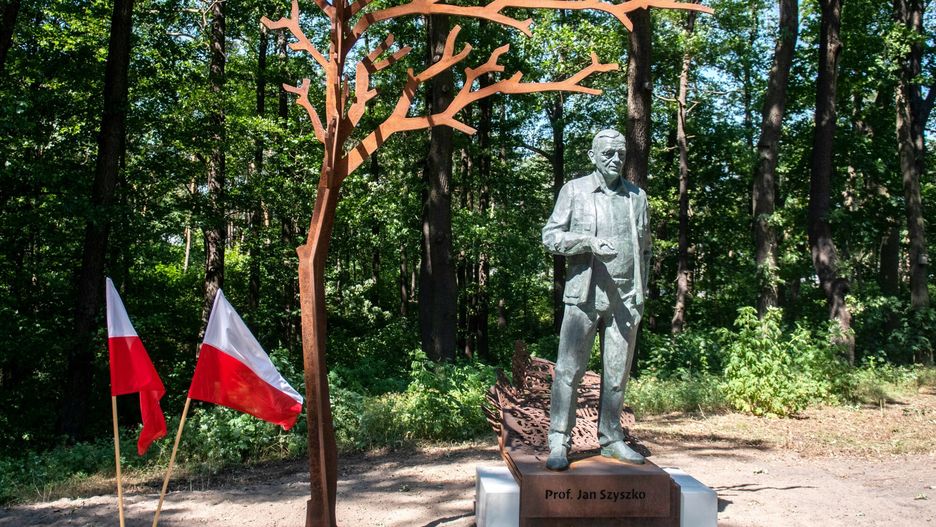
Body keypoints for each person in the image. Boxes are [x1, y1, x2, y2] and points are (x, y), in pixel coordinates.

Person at [541, 129, 651, 471]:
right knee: (569, 371)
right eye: (607, 153)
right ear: (592, 155)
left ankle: (612, 436)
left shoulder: (637, 198)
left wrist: (641, 292)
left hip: (626, 300)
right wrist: (587, 241)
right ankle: (559, 439)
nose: (614, 159)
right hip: (584, 296)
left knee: (617, 374)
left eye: (620, 153)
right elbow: (550, 236)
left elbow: (645, 249)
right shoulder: (574, 191)